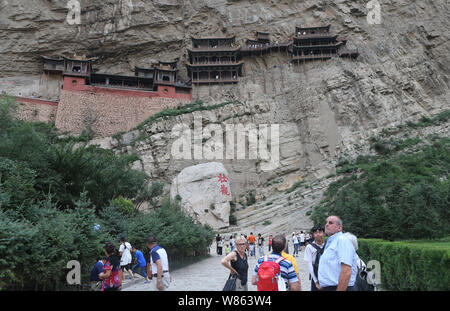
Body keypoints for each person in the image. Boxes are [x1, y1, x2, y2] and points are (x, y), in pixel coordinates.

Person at [318, 216, 357, 291]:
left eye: (331, 223)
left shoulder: (342, 241)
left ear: (339, 227)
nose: (326, 224)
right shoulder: (332, 242)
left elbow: (346, 271)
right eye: (326, 222)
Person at [304, 225, 325, 291]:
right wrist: (316, 281)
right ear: (313, 235)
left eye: (320, 232)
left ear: (324, 233)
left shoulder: (327, 245)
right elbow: (309, 264)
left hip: (327, 275)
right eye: (316, 233)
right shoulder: (309, 247)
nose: (318, 234)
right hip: (316, 274)